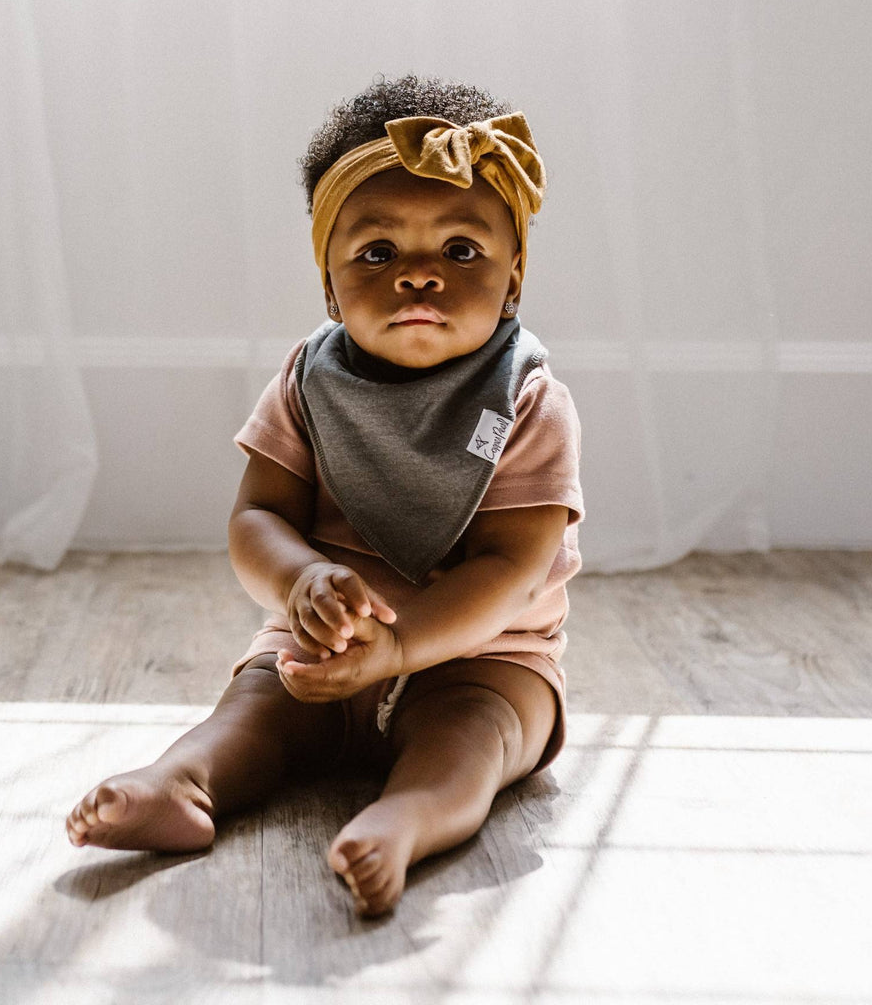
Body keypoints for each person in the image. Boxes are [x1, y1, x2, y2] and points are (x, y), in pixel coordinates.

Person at [66, 73, 584, 918]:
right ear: (329, 284)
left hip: (482, 659)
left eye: (462, 250)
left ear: (514, 274)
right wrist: (300, 581)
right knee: (256, 709)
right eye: (379, 253)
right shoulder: (312, 382)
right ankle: (181, 782)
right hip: (323, 652)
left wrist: (404, 645)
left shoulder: (524, 398)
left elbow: (514, 569)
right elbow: (257, 517)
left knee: (475, 741)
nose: (420, 276)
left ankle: (408, 819)